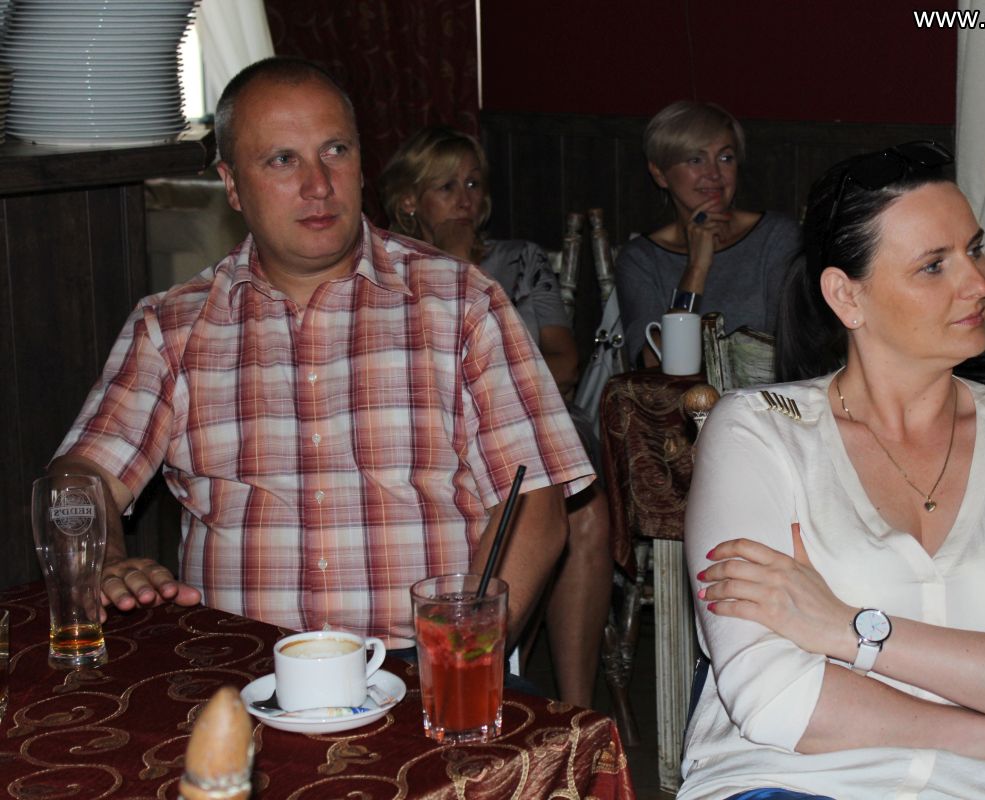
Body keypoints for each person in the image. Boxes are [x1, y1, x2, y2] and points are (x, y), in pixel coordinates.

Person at [47, 57, 594, 657]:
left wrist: (463, 658)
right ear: (232, 184)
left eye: (335, 151)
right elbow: (79, 480)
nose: (319, 185)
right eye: (282, 160)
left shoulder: (462, 301)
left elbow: (535, 505)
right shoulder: (172, 327)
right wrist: (103, 558)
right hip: (241, 666)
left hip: (419, 663)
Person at [680, 142, 985, 799]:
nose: (979, 283)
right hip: (787, 783)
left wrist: (849, 630)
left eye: (975, 250)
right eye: (933, 265)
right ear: (847, 296)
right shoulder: (760, 433)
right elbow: (772, 696)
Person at [378, 126, 611, 709]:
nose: (465, 198)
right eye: (446, 186)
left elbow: (564, 359)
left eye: (473, 184)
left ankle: (576, 705)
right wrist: (449, 263)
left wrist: (466, 270)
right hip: (429, 430)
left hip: (538, 418)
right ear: (409, 200)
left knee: (581, 507)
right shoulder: (386, 273)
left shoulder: (521, 260)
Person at [616, 100, 802, 367]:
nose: (714, 174)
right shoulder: (641, 259)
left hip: (763, 392)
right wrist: (696, 270)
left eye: (726, 158)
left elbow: (789, 349)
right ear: (660, 174)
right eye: (696, 159)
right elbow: (652, 362)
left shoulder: (776, 237)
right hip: (681, 395)